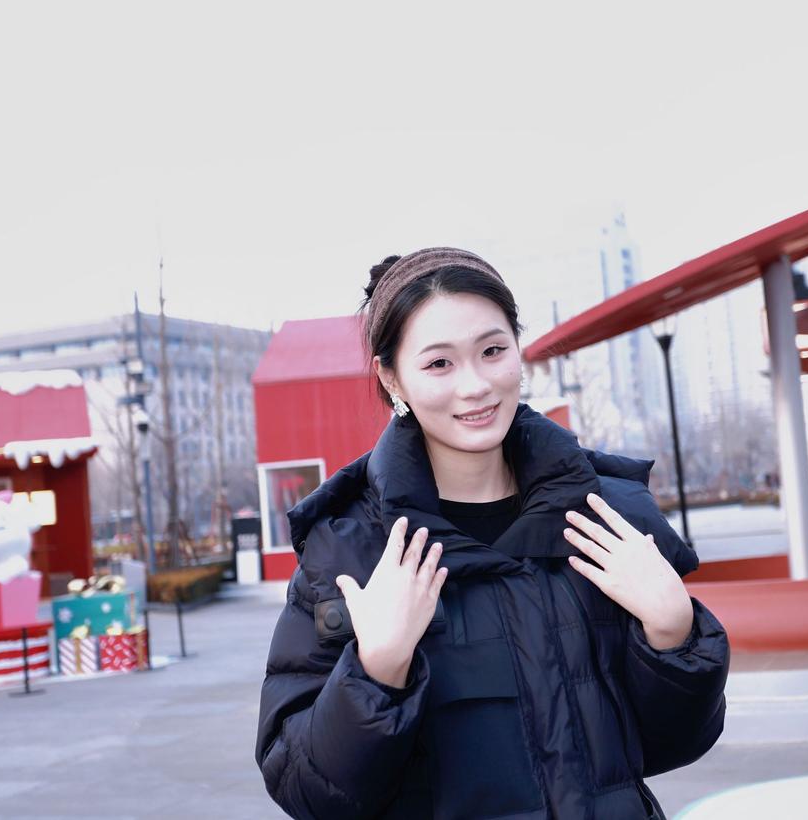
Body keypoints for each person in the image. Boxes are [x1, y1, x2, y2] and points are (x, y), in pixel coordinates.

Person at [255, 248, 730, 820]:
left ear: (518, 349)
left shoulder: (606, 518)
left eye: (492, 351)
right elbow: (307, 790)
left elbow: (673, 743)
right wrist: (376, 670)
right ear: (391, 377)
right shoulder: (350, 551)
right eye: (439, 363)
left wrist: (674, 635)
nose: (476, 385)